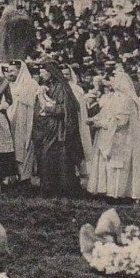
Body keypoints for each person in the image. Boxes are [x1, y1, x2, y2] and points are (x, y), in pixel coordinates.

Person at [87, 73, 140, 201]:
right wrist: (94, 119)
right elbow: (105, 113)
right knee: (108, 164)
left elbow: (121, 121)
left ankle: (117, 193)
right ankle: (108, 191)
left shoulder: (126, 100)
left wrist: (100, 123)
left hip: (121, 137)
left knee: (118, 165)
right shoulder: (113, 97)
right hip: (108, 134)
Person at [32, 60, 85, 197]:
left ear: (50, 72)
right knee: (47, 158)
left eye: (43, 71)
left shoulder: (62, 87)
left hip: (59, 129)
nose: (41, 74)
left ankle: (62, 189)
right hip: (48, 127)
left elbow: (65, 109)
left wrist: (49, 108)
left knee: (59, 159)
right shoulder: (47, 86)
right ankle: (49, 188)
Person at [5, 61, 40, 184]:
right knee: (14, 147)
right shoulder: (10, 85)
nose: (10, 74)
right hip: (13, 120)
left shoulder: (31, 84)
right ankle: (17, 177)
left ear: (20, 71)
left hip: (26, 120)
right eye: (8, 71)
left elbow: (31, 103)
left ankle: (26, 178)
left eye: (12, 71)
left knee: (25, 147)